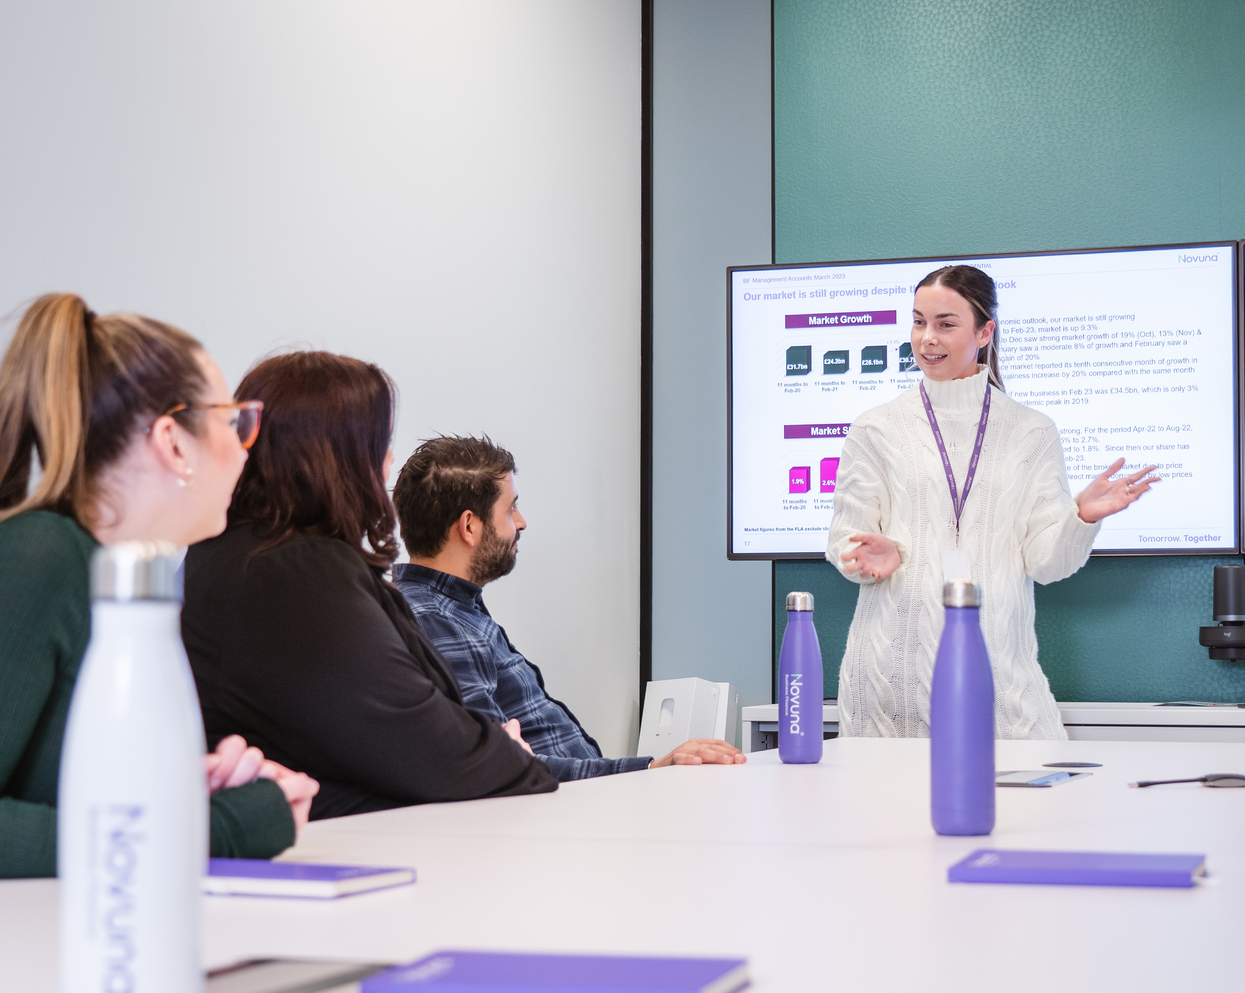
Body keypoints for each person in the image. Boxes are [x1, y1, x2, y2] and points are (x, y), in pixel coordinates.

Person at [0, 293, 318, 877]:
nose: (245, 452)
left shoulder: (115, 580)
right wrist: (212, 829)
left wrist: (170, 794)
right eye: (233, 421)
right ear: (173, 442)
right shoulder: (40, 557)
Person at [182, 352, 557, 819]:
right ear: (339, 455)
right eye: (381, 442)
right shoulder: (293, 576)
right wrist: (507, 754)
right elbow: (436, 751)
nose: (388, 461)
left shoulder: (242, 556)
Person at [828, 265, 1157, 740]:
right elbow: (844, 540)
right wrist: (866, 556)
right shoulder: (876, 428)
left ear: (985, 332)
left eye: (945, 324)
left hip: (1002, 690)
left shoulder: (1032, 432)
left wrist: (1081, 517)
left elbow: (1047, 564)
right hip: (890, 690)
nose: (927, 339)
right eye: (918, 321)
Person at [391, 435, 745, 781]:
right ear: (469, 526)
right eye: (510, 508)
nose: (521, 522)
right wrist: (650, 770)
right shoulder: (436, 621)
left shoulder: (453, 609)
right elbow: (497, 765)